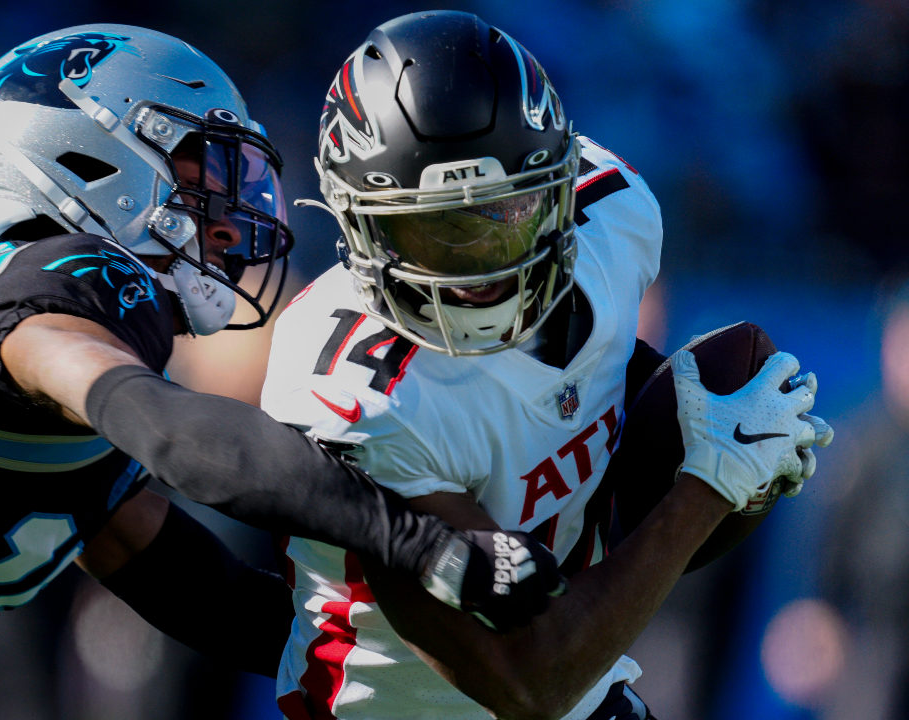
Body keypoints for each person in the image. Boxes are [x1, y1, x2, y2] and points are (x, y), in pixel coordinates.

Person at [0, 25, 567, 717]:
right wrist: (423, 544)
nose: (230, 207)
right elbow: (166, 427)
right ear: (94, 157)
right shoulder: (60, 282)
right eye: (201, 167)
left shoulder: (69, 375)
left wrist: (431, 659)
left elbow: (199, 591)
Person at [261, 12, 834, 720]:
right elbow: (529, 681)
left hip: (589, 691)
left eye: (507, 215)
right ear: (356, 224)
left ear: (561, 190)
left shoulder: (614, 217)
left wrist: (719, 424)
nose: (480, 272)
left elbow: (581, 387)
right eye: (434, 230)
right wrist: (708, 484)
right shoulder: (357, 389)